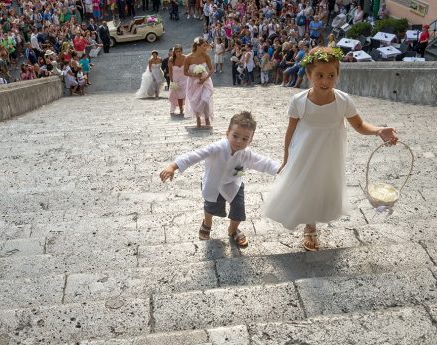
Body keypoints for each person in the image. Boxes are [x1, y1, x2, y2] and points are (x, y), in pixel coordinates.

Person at [263, 47, 398, 251]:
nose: (325, 81)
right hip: (304, 151)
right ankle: (309, 225)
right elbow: (290, 131)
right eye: (319, 75)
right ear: (308, 75)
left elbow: (360, 125)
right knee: (304, 185)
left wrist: (379, 130)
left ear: (337, 75)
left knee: (323, 185)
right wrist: (286, 158)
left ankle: (313, 221)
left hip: (330, 152)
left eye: (331, 76)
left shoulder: (343, 100)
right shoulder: (298, 101)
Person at [159, 111, 280, 248]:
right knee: (210, 207)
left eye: (245, 139)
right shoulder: (217, 148)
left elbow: (264, 162)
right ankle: (207, 223)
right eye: (235, 136)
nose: (239, 141)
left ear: (250, 140)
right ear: (227, 133)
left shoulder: (247, 155)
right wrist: (173, 166)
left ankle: (233, 230)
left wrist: (280, 169)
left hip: (234, 184)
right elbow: (196, 155)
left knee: (238, 210)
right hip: (213, 183)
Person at [184, 37, 214, 128]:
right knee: (195, 101)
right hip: (193, 82)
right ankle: (198, 120)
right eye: (203, 46)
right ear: (197, 46)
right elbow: (185, 72)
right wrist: (195, 75)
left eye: (206, 46)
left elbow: (212, 69)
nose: (205, 48)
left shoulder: (206, 56)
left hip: (205, 81)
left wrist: (205, 78)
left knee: (205, 99)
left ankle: (207, 119)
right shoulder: (188, 57)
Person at [168, 44, 187, 116]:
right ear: (174, 52)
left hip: (185, 79)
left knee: (186, 94)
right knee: (178, 95)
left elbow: (189, 67)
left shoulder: (185, 57)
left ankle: (189, 109)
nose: (178, 53)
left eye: (179, 51)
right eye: (176, 51)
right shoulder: (171, 59)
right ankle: (181, 108)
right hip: (175, 79)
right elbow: (170, 71)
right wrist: (172, 81)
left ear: (182, 51)